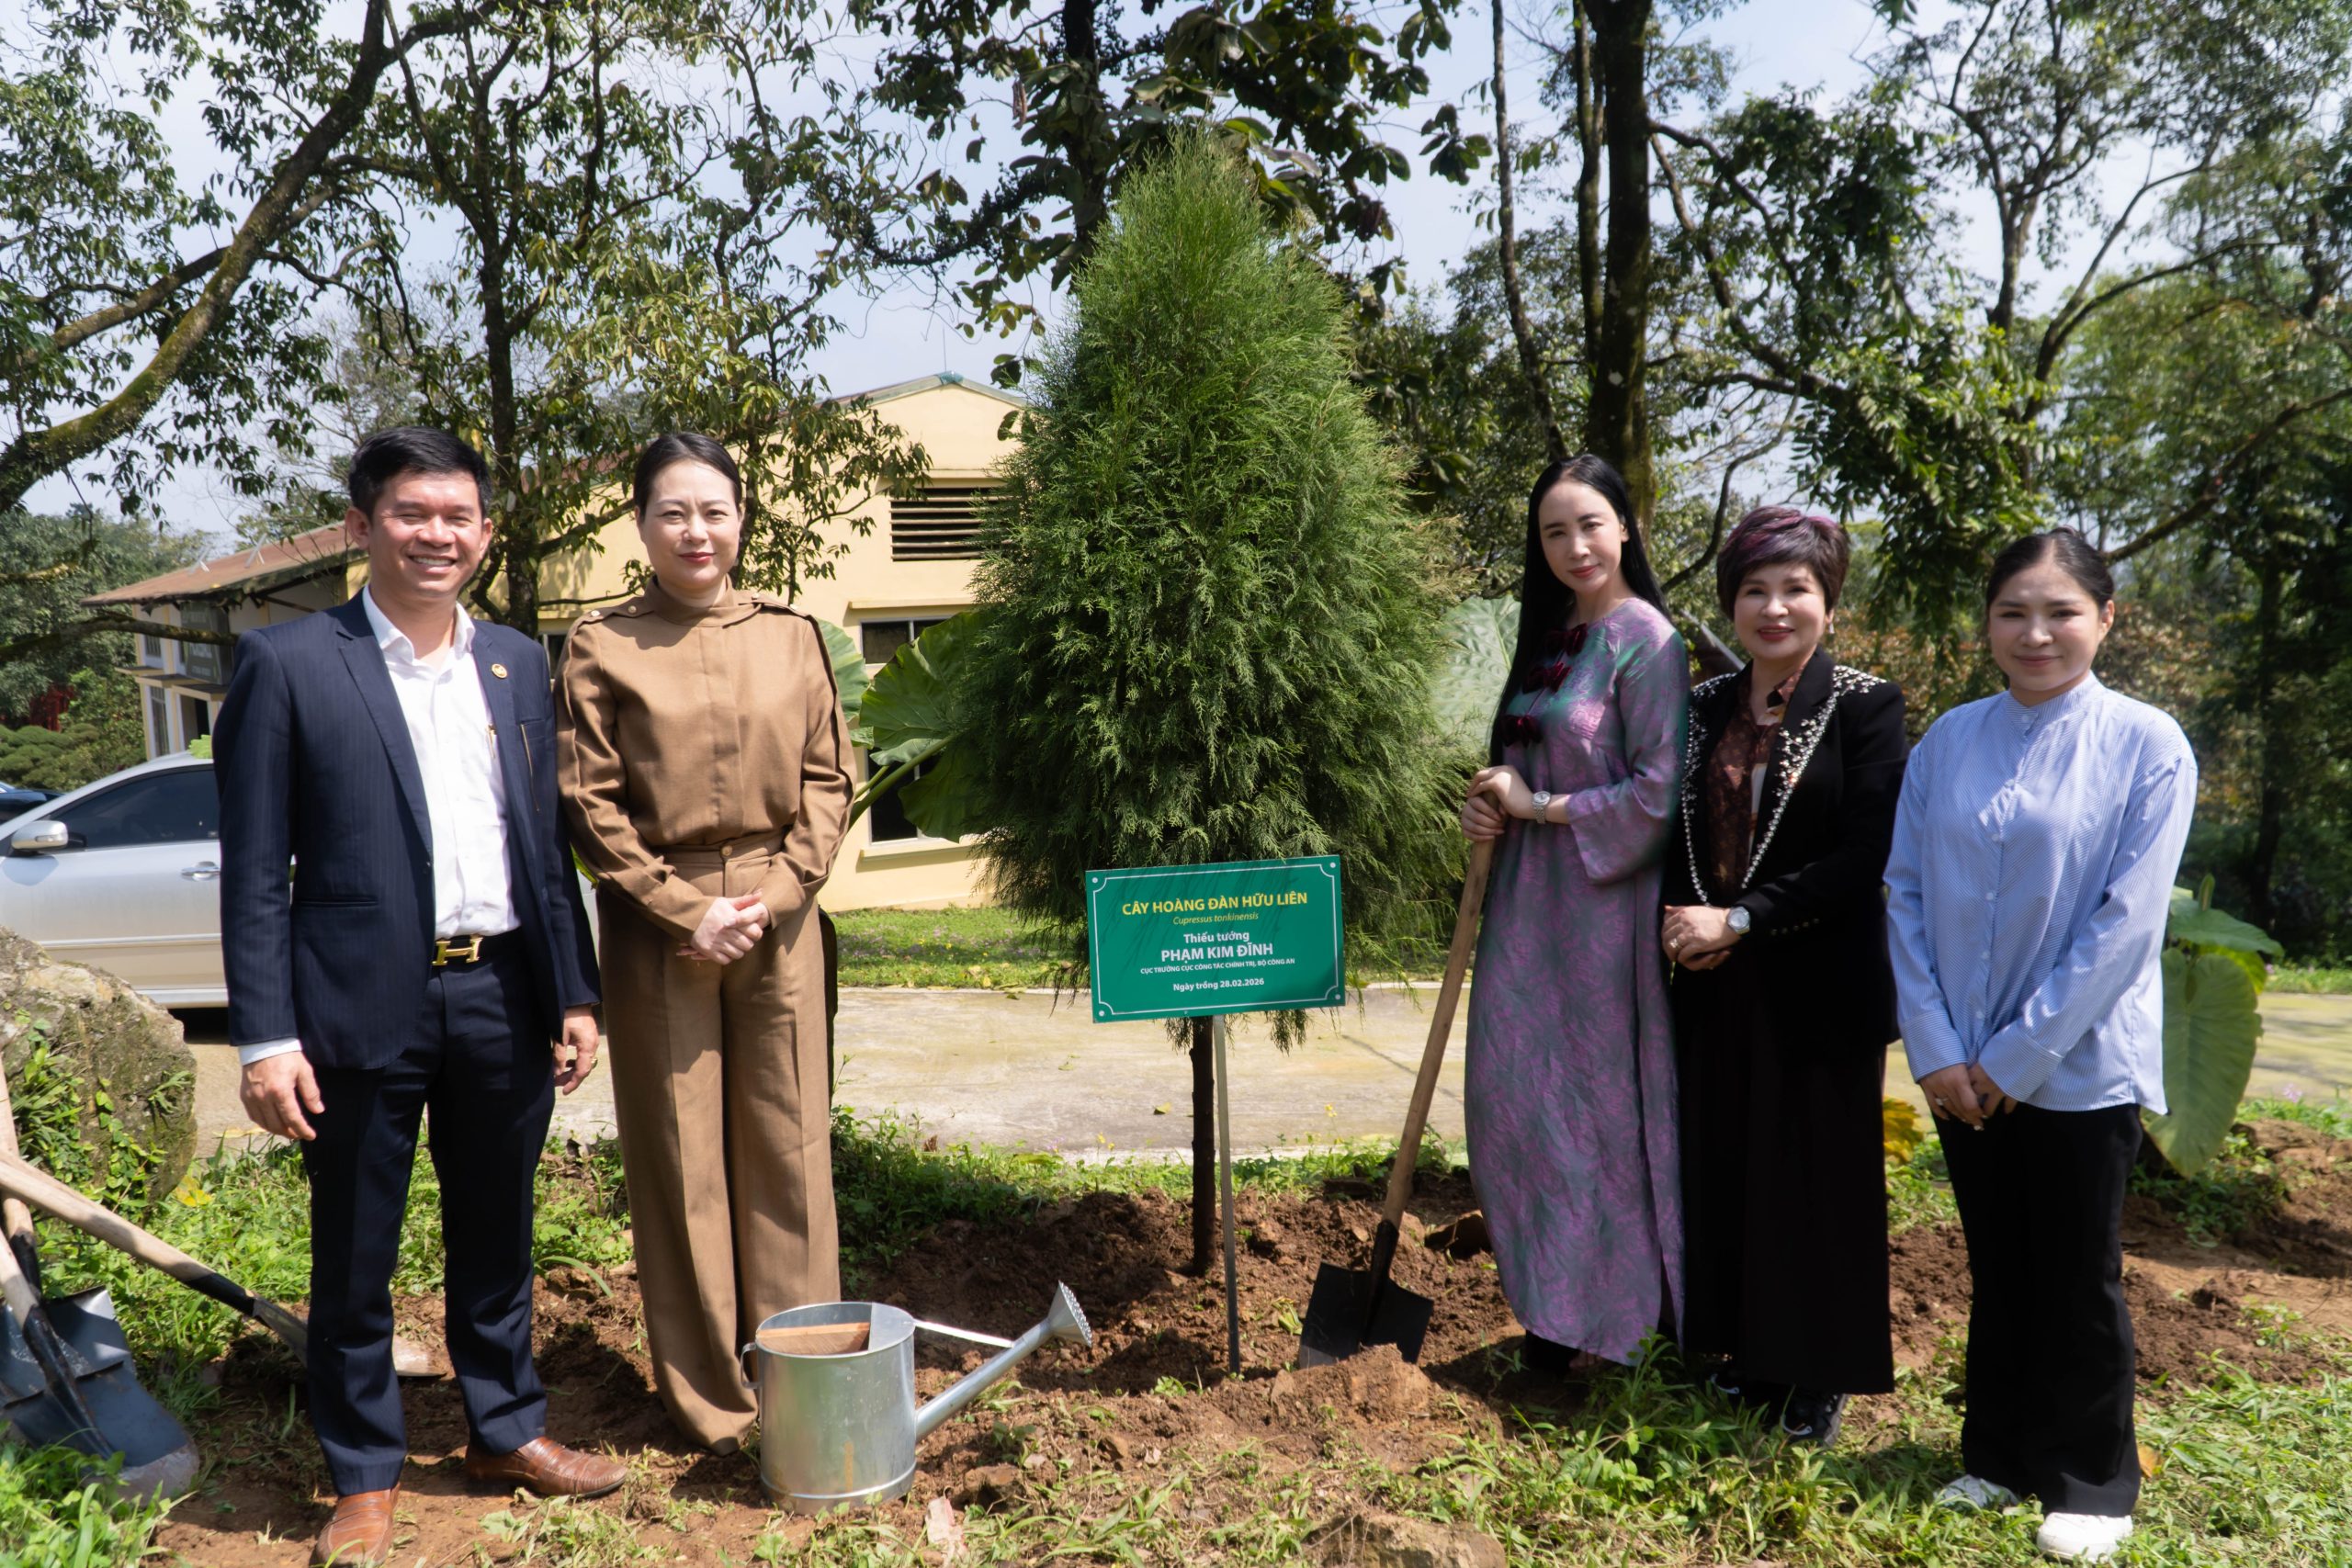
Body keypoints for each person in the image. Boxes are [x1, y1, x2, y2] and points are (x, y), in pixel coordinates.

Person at [215, 428, 622, 1568]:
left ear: (485, 536)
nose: (436, 534)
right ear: (361, 527)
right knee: (356, 1250)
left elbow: (541, 846)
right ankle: (363, 1476)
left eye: (457, 517)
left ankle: (505, 1431)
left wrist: (572, 991)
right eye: (411, 514)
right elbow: (254, 869)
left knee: (498, 1228)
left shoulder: (515, 664)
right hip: (352, 1010)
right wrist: (265, 1036)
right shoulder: (290, 664)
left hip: (500, 990)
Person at [1886, 528, 2197, 1563]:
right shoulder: (1945, 743)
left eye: (2060, 611)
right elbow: (1905, 896)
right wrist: (1933, 1047)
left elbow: (2125, 923)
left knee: (2074, 1271)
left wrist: (2014, 1060)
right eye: (2013, 611)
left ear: (2105, 620)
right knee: (1999, 1265)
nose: (2035, 632)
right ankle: (1999, 1454)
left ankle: (2094, 1482)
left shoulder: (2148, 744)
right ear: (1986, 624)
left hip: (2076, 1064)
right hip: (1957, 1066)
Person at [556, 433, 852, 1453]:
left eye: (715, 510)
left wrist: (769, 897)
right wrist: (688, 911)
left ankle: (806, 1377)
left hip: (779, 917)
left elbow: (828, 780)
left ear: (741, 519)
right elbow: (586, 803)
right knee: (681, 1162)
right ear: (640, 524)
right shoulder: (600, 644)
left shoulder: (794, 635)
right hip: (657, 926)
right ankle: (716, 1407)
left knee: (790, 1148)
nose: (696, 531)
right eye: (673, 512)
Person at [1659, 507, 1906, 1446]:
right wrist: (1684, 920)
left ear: (1828, 604)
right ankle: (1741, 1356)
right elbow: (1673, 830)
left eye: (1796, 589)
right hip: (1717, 980)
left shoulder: (1864, 706)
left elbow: (1864, 849)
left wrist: (1745, 918)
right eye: (1754, 590)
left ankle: (1814, 1375)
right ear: (1731, 602)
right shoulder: (1701, 706)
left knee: (1814, 1179)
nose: (1774, 607)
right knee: (1728, 1167)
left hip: (1817, 981)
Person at [1461, 454, 1690, 1371]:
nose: (1574, 545)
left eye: (1589, 523)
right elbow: (1520, 766)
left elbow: (1655, 793)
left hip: (1600, 916)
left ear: (1625, 525)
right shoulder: (1548, 634)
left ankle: (1615, 1325)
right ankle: (1551, 1310)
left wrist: (1538, 809)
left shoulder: (1648, 640)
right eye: (1554, 531)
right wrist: (1489, 805)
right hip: (1524, 910)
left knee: (1590, 1115)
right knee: (1513, 1102)